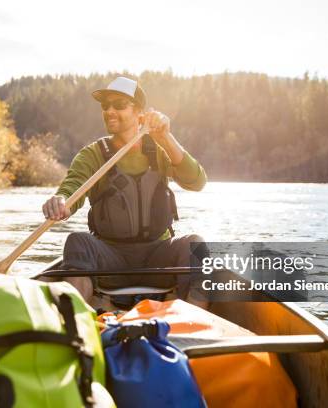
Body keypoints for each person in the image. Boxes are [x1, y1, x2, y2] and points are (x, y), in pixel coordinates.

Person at [42, 76, 208, 307]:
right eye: (105, 105)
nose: (109, 111)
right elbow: (72, 188)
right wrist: (61, 201)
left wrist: (166, 137)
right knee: (77, 241)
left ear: (139, 113)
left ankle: (193, 324)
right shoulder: (93, 154)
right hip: (111, 257)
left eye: (119, 105)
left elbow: (197, 181)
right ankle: (78, 327)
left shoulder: (159, 149)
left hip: (158, 256)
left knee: (196, 245)